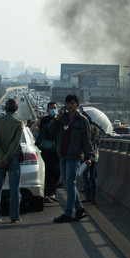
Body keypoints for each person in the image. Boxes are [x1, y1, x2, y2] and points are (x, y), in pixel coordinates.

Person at [52, 94, 94, 223]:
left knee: (70, 183)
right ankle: (79, 209)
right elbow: (51, 131)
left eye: (72, 103)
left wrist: (88, 156)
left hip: (74, 155)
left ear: (77, 105)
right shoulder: (63, 119)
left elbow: (86, 140)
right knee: (68, 184)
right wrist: (58, 117)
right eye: (67, 103)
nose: (69, 106)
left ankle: (68, 213)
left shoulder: (82, 120)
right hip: (62, 154)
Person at [0, 97, 24, 223]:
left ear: (5, 108)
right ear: (16, 109)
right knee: (14, 189)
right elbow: (15, 143)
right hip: (13, 158)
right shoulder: (18, 123)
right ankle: (14, 217)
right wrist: (8, 156)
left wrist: (2, 155)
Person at [35, 101, 61, 202]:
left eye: (55, 107)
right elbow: (49, 131)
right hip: (47, 150)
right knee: (47, 172)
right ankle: (45, 194)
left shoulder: (59, 120)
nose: (53, 109)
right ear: (48, 110)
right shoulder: (46, 120)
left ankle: (52, 194)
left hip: (56, 150)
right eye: (51, 108)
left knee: (55, 172)